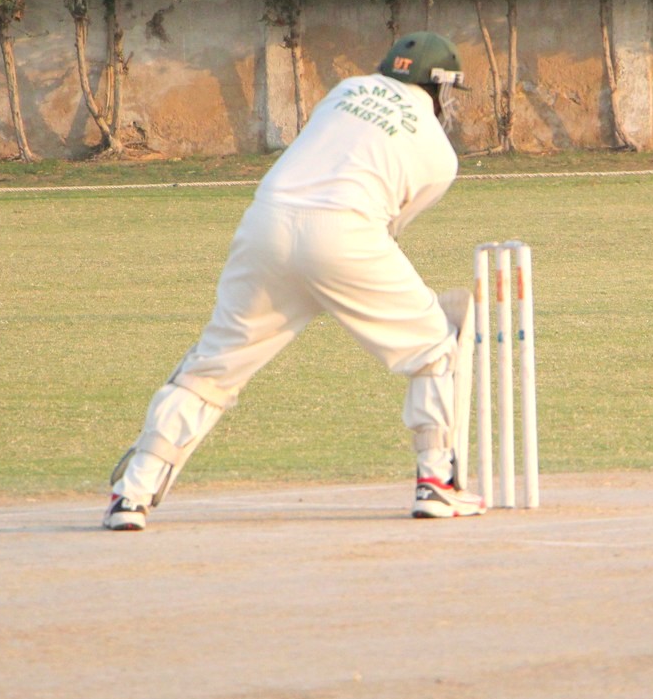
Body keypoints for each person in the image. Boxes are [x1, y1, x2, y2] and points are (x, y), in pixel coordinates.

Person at [103, 32, 485, 530]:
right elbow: (390, 226)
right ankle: (436, 484)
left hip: (267, 223)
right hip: (347, 234)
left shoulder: (347, 89)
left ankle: (132, 495)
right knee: (433, 347)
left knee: (212, 368)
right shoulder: (440, 155)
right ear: (440, 87)